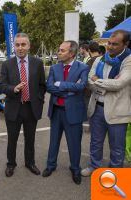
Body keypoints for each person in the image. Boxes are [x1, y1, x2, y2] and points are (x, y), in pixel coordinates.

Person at [81, 30, 131, 176]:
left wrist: (98, 81)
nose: (110, 46)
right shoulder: (100, 59)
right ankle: (94, 167)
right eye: (109, 43)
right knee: (95, 142)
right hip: (97, 108)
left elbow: (119, 83)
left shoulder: (128, 61)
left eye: (115, 44)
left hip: (117, 111)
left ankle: (115, 173)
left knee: (117, 146)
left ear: (125, 44)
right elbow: (89, 81)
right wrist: (103, 83)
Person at [0, 33, 46, 177]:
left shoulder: (37, 63)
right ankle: (11, 164)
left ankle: (30, 163)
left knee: (30, 139)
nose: (20, 48)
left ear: (29, 46)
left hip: (31, 108)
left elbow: (42, 85)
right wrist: (13, 89)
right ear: (14, 46)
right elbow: (2, 85)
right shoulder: (7, 64)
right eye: (17, 45)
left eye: (23, 44)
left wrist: (38, 100)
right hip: (14, 107)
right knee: (12, 139)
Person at [43, 40, 89, 185]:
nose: (59, 52)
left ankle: (75, 169)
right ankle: (51, 165)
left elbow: (81, 86)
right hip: (56, 110)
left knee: (74, 143)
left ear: (72, 53)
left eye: (62, 50)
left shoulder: (83, 68)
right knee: (53, 140)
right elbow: (49, 87)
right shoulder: (54, 68)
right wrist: (68, 90)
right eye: (59, 49)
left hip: (73, 112)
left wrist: (61, 85)